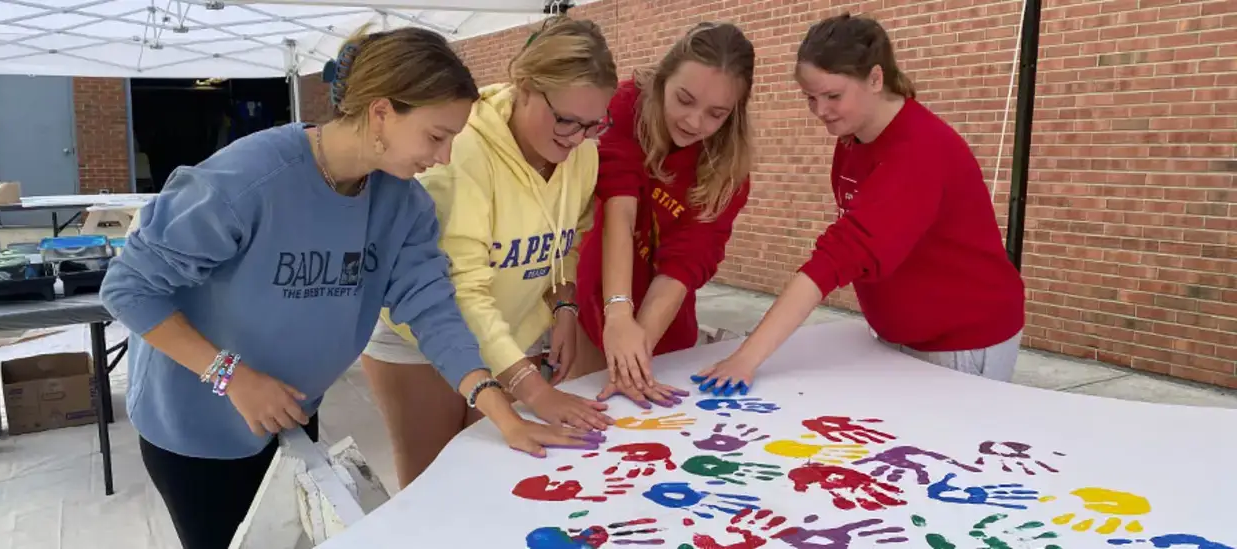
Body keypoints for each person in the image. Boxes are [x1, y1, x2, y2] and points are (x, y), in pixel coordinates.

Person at [100, 27, 597, 549]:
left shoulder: (403, 203)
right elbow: (128, 288)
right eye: (436, 136)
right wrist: (232, 376)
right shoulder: (247, 180)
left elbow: (433, 310)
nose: (446, 157)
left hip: (288, 414)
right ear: (381, 112)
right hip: (196, 425)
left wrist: (502, 411)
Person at [694, 13, 1026, 394]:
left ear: (875, 78)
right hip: (899, 334)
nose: (821, 110)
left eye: (833, 96)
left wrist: (746, 358)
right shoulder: (853, 138)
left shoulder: (918, 151)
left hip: (960, 339)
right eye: (811, 98)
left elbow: (838, 257)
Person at [359, 15, 621, 489]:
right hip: (424, 342)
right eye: (565, 119)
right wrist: (533, 390)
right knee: (432, 488)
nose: (575, 138)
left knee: (495, 482)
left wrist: (563, 304)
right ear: (526, 86)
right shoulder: (460, 152)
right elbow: (462, 291)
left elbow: (573, 234)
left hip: (511, 336)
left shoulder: (583, 152)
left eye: (592, 124)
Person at [569, 22, 756, 407]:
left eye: (716, 114)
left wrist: (636, 353)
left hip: (667, 326)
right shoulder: (625, 106)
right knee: (585, 406)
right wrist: (618, 313)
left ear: (734, 114)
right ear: (663, 78)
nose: (694, 122)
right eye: (684, 100)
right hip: (595, 301)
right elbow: (619, 209)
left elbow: (684, 263)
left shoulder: (729, 171)